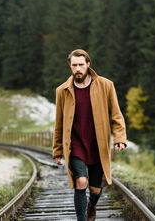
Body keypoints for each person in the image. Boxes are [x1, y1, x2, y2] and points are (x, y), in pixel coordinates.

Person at [52, 49, 127, 221]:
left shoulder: (106, 85)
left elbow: (116, 115)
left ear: (88, 65)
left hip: (97, 145)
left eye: (80, 65)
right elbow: (59, 124)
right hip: (75, 145)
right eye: (74, 65)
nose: (77, 68)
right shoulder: (62, 91)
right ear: (70, 67)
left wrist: (120, 138)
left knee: (95, 189)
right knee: (81, 181)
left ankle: (92, 205)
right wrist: (57, 150)